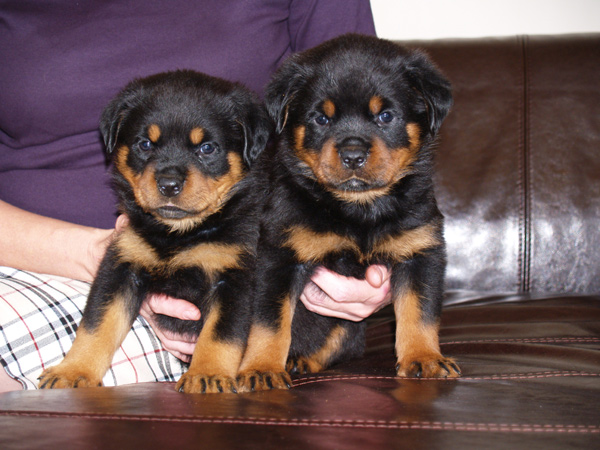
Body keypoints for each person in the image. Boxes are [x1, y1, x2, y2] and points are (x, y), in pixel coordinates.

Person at [0, 0, 391, 392]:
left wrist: (378, 258)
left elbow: (365, 107)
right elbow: (116, 290)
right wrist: (82, 357)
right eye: (146, 147)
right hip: (24, 262)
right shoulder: (134, 233)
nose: (170, 179)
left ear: (250, 150)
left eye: (206, 150)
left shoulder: (247, 228)